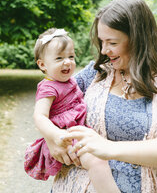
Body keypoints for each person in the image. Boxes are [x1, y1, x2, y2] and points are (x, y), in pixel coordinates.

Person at [43, 0, 157, 193]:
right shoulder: (96, 73)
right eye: (102, 41)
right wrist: (52, 139)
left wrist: (109, 148)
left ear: (138, 39)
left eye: (112, 42)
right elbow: (48, 104)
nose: (104, 50)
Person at [24, 28, 120, 192]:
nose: (67, 62)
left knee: (103, 156)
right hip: (66, 136)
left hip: (77, 131)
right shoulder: (48, 87)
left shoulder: (69, 81)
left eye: (71, 56)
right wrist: (56, 135)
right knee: (97, 161)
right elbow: (39, 116)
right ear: (42, 65)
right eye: (59, 58)